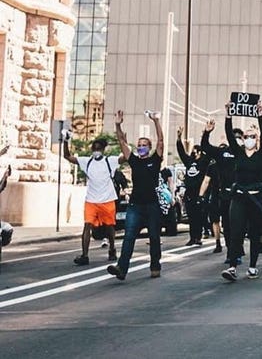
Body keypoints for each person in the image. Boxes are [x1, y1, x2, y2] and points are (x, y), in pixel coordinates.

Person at [107, 110, 166, 280]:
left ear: (149, 147)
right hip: (135, 206)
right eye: (139, 145)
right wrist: (118, 124)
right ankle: (122, 268)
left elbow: (161, 141)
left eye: (144, 145)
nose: (140, 147)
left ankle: (155, 265)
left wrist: (156, 121)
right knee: (129, 236)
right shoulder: (133, 160)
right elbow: (121, 142)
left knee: (154, 237)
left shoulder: (155, 160)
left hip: (152, 205)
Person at [220, 102, 262, 282]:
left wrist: (260, 115)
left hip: (257, 198)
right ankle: (233, 266)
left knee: (256, 233)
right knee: (236, 232)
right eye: (246, 136)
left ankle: (252, 266)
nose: (249, 139)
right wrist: (228, 115)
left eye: (252, 136)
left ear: (256, 139)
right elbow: (229, 135)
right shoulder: (238, 153)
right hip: (240, 196)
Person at [64, 137, 122, 265]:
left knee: (109, 227)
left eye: (98, 148)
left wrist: (123, 140)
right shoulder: (87, 162)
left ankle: (112, 248)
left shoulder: (110, 161)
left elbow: (125, 157)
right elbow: (67, 156)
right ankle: (84, 255)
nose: (96, 150)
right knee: (87, 225)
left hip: (107, 200)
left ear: (103, 149)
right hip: (91, 200)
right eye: (94, 148)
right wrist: (66, 141)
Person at [200, 122, 244, 258]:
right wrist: (207, 132)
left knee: (240, 225)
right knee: (227, 225)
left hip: (241, 194)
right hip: (225, 194)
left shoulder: (245, 154)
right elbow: (205, 147)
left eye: (239, 137)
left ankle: (238, 247)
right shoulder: (222, 153)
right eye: (234, 136)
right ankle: (231, 253)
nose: (236, 139)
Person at [176, 128, 210, 247]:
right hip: (189, 193)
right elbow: (181, 153)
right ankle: (192, 237)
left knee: (199, 216)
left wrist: (205, 135)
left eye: (195, 151)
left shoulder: (204, 162)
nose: (193, 153)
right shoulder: (189, 161)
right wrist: (179, 139)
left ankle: (198, 237)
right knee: (191, 216)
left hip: (199, 193)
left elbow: (207, 149)